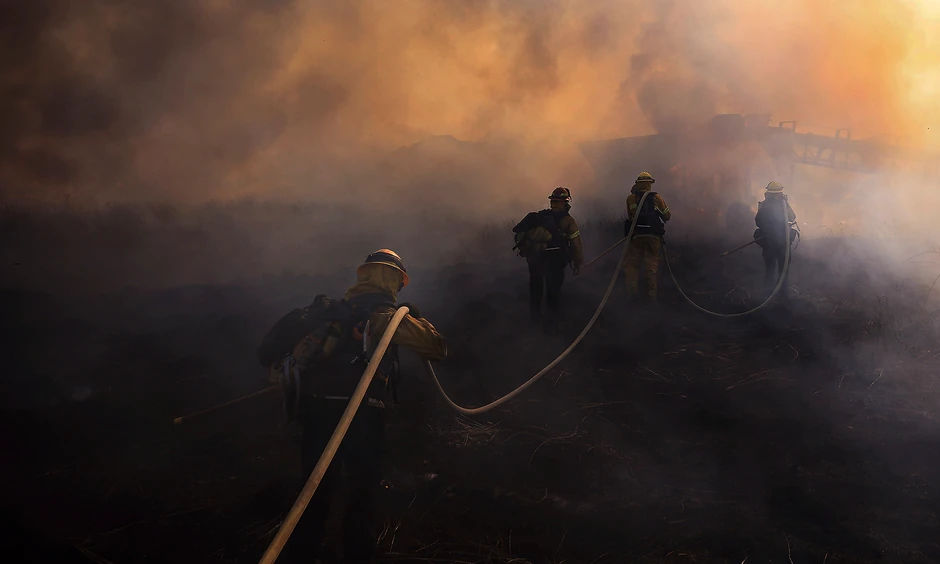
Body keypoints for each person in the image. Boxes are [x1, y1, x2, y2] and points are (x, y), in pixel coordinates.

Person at [285, 249, 447, 564]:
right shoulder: (386, 316)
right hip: (362, 416)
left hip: (317, 410)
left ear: (364, 275)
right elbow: (437, 347)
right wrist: (414, 318)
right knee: (363, 494)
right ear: (394, 280)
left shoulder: (335, 312)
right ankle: (358, 555)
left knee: (312, 493)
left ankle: (301, 554)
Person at [511, 187, 584, 322]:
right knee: (553, 291)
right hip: (555, 260)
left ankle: (535, 319)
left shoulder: (540, 216)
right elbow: (576, 245)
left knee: (536, 288)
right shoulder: (568, 221)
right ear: (565, 203)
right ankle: (552, 323)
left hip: (535, 259)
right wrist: (578, 263)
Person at [623, 172, 672, 304]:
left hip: (636, 237)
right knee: (651, 267)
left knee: (632, 265)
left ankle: (632, 295)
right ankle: (652, 297)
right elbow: (667, 216)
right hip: (653, 237)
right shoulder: (657, 197)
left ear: (637, 184)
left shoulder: (630, 199)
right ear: (650, 184)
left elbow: (630, 217)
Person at [754, 181, 797, 296]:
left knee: (769, 269)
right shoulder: (784, 205)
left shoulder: (763, 205)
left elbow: (758, 221)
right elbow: (792, 217)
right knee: (783, 270)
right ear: (780, 193)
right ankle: (782, 292)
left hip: (768, 242)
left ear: (767, 193)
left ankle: (768, 292)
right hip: (783, 243)